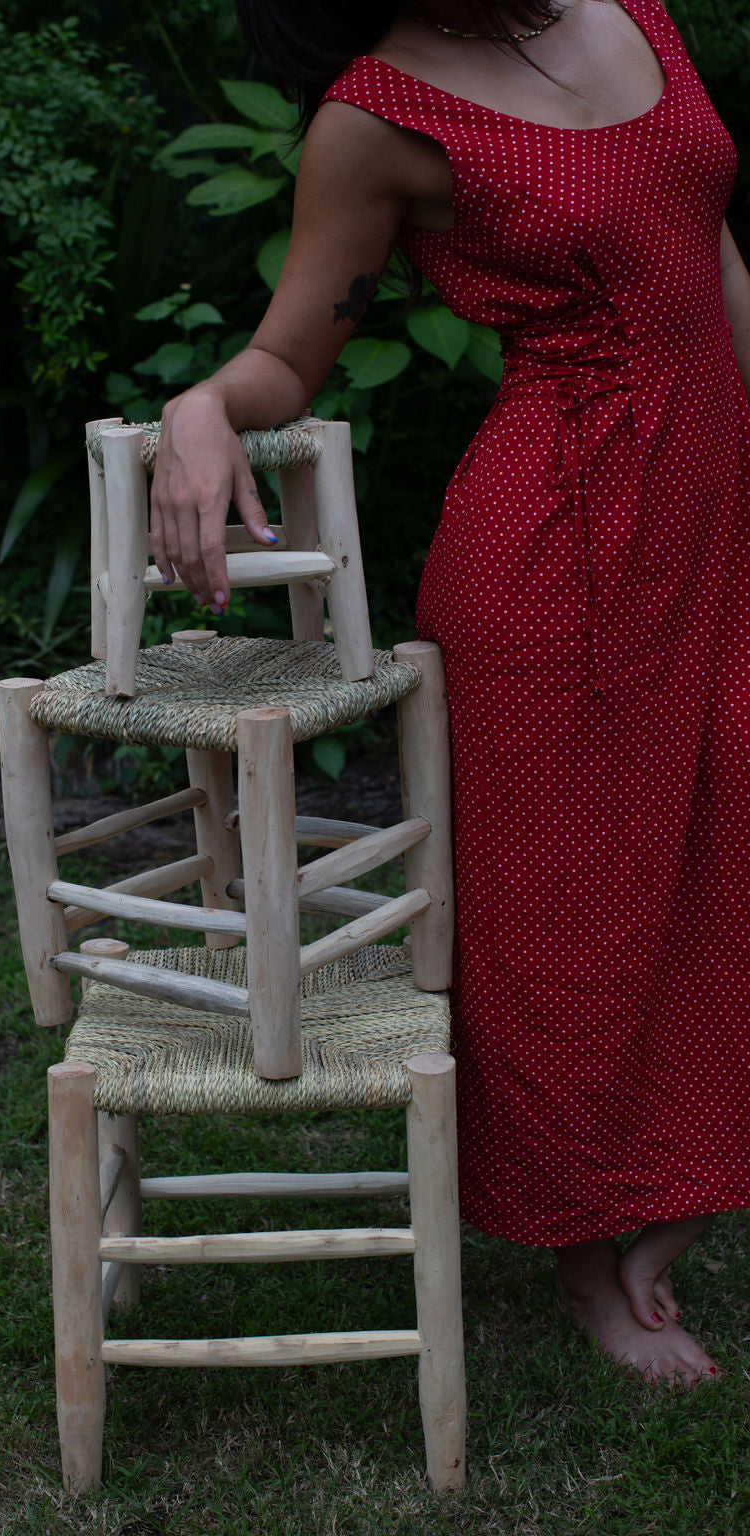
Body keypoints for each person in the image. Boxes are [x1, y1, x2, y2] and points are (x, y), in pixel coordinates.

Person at [147, 0, 750, 1388]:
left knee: (726, 835)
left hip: (712, 506)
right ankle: (591, 1254)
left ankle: (690, 1178)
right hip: (564, 550)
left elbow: (707, 244)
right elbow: (292, 354)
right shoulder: (380, 115)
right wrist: (197, 412)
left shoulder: (637, 12)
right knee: (566, 913)